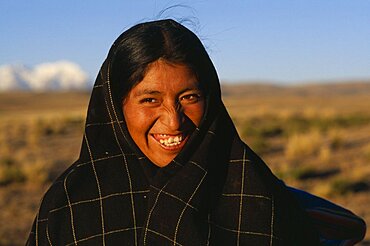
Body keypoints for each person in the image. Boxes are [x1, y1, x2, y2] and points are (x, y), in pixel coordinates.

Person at [26, 19, 365, 245]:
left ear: (211, 98)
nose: (173, 121)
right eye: (150, 99)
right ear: (115, 107)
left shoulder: (250, 191)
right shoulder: (71, 205)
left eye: (189, 97)